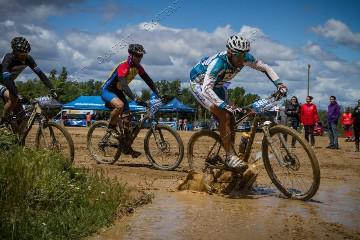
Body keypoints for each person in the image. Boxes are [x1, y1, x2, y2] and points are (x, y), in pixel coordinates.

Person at [189, 35, 287, 170]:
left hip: (218, 85)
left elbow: (266, 68)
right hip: (200, 85)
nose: (242, 60)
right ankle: (230, 156)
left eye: (244, 55)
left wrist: (279, 84)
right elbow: (206, 88)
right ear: (230, 53)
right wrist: (224, 106)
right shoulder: (218, 64)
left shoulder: (245, 58)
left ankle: (231, 152)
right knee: (225, 114)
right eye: (239, 57)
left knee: (233, 118)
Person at [101, 43, 159, 158]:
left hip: (119, 92)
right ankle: (110, 127)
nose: (140, 58)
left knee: (128, 121)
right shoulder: (124, 66)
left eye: (141, 56)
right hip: (108, 90)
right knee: (120, 106)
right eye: (137, 55)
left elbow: (148, 80)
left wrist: (159, 93)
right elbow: (123, 84)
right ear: (131, 55)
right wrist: (135, 98)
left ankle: (126, 147)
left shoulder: (138, 68)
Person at [0, 37, 57, 124]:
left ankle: (17, 133)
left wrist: (51, 88)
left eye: (26, 53)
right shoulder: (8, 58)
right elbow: (6, 79)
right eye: (22, 54)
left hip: (10, 83)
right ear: (15, 52)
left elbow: (41, 74)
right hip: (3, 82)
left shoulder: (28, 59)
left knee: (21, 117)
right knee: (14, 98)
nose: (24, 56)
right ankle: (3, 121)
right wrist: (17, 94)